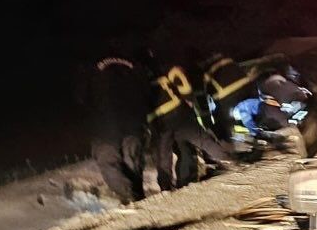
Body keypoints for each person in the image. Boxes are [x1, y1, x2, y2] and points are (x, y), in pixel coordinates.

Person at [148, 52, 233, 192]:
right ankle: (227, 159)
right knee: (201, 140)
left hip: (160, 120)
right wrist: (187, 98)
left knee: (164, 154)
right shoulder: (163, 70)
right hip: (178, 111)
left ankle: (166, 186)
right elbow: (179, 78)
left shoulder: (136, 78)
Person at [80, 49, 150, 204]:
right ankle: (139, 198)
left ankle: (130, 197)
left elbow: (82, 96)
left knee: (108, 163)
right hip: (133, 123)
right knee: (133, 162)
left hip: (104, 126)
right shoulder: (133, 63)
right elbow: (147, 91)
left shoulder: (92, 66)